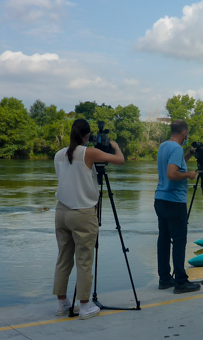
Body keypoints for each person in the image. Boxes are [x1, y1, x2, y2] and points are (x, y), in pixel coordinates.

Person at [53, 118, 125, 320]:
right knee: (84, 260)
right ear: (87, 136)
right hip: (82, 212)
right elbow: (120, 160)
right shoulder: (89, 153)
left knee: (63, 258)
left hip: (61, 212)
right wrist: (115, 146)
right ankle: (84, 306)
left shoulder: (59, 154)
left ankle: (61, 304)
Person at [154, 119, 200, 294]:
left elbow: (175, 163)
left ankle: (165, 278)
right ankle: (181, 282)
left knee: (164, 240)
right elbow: (172, 173)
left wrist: (190, 153)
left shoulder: (164, 146)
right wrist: (189, 174)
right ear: (184, 133)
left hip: (160, 199)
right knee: (179, 241)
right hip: (174, 201)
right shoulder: (176, 148)